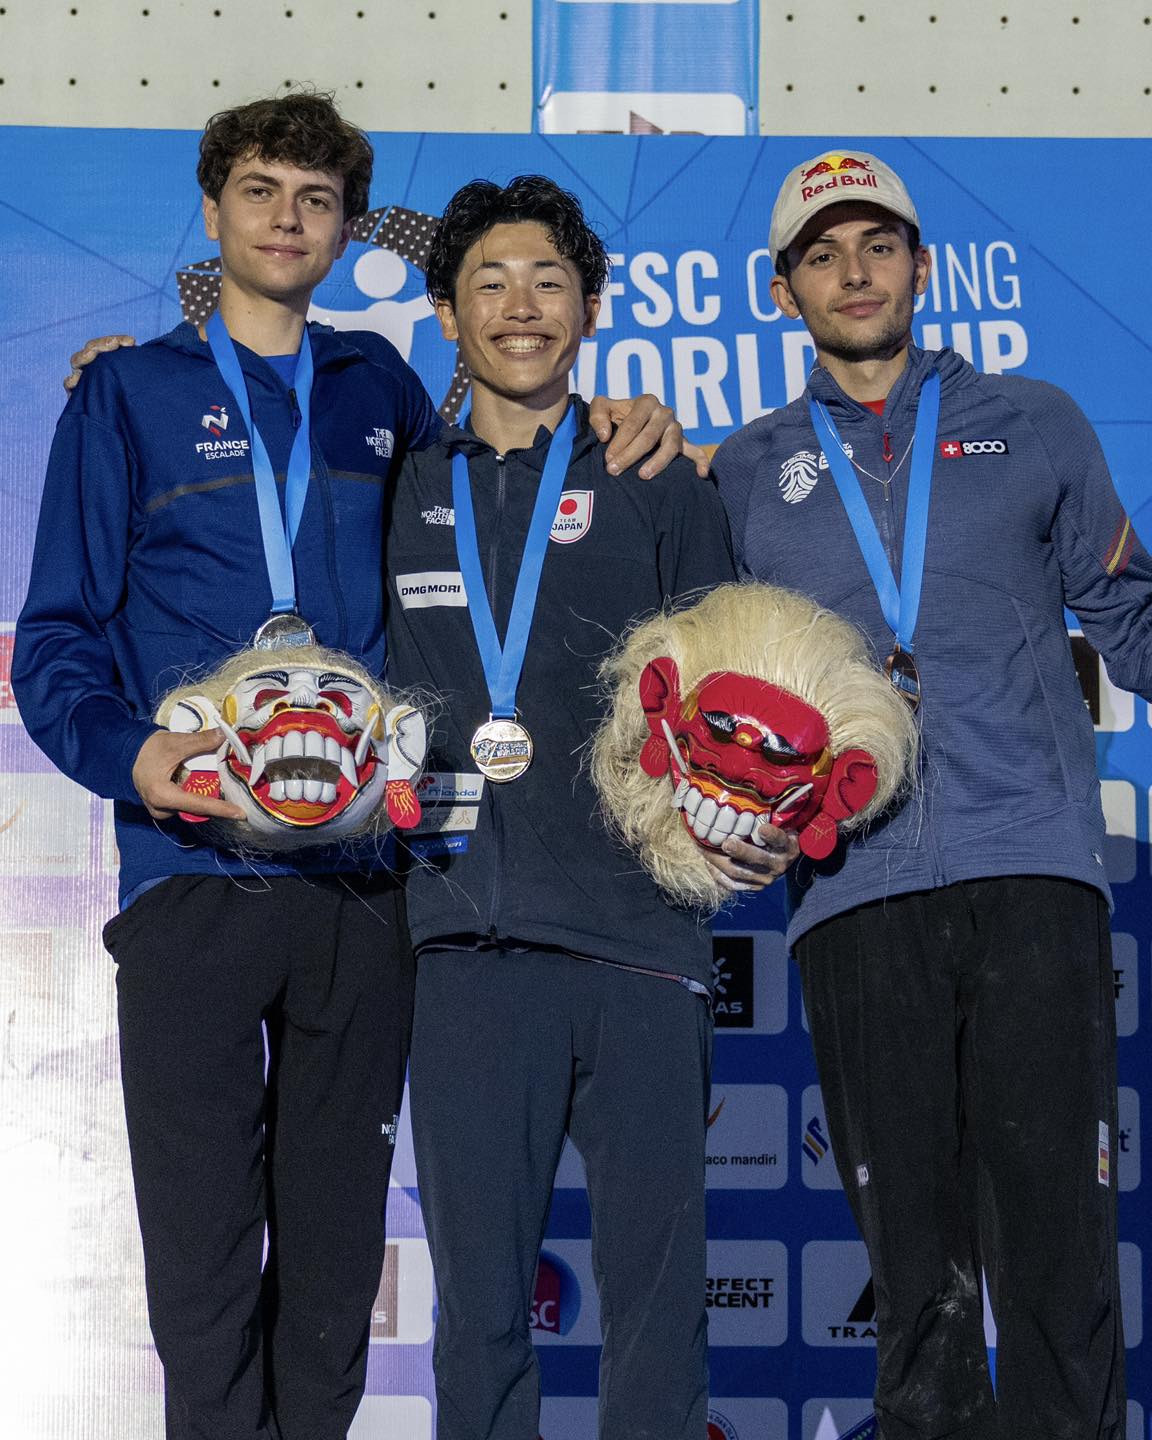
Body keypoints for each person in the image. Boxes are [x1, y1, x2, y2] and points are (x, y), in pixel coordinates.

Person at [17, 93, 686, 1440]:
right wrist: (140, 760)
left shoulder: (379, 392)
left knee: (331, 1281)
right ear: (212, 214)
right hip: (192, 881)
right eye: (261, 190)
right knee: (205, 1275)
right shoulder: (127, 396)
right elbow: (53, 645)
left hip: (363, 890)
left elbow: (507, 515)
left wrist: (653, 438)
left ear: (339, 232)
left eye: (316, 199)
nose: (287, 217)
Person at [712, 149, 1143, 1440]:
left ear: (922, 266)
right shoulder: (743, 473)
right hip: (856, 897)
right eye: (824, 254)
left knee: (1063, 1268)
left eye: (878, 245)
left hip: (1032, 881)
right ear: (783, 290)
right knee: (918, 1287)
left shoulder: (1038, 423)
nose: (856, 273)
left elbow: (1130, 615)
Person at [382, 175, 787, 1440]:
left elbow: (728, 691)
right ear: (446, 311)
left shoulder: (656, 476)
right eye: (490, 282)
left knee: (660, 1307)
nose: (520, 306)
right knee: (483, 1312)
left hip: (641, 944)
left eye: (549, 281)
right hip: (466, 948)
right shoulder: (396, 482)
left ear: (593, 306)